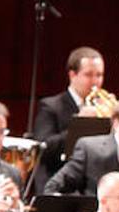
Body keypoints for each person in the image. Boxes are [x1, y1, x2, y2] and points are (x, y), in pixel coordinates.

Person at [30, 46, 106, 190]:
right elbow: (43, 149)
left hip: (91, 185)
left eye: (99, 75)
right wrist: (79, 124)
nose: (95, 81)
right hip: (58, 182)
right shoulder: (51, 106)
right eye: (89, 75)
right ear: (72, 75)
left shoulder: (102, 107)